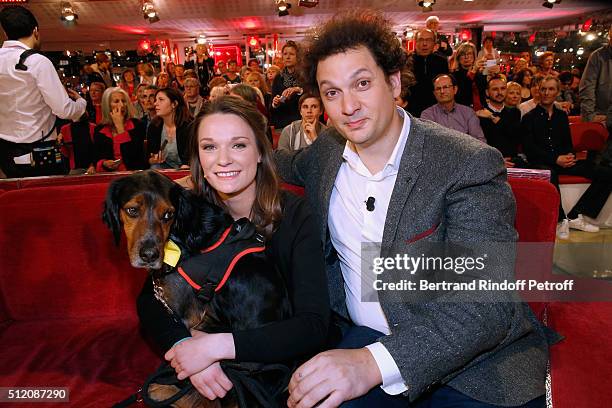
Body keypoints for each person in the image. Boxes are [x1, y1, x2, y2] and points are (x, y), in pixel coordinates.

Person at [275, 9, 554, 408]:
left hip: (470, 364)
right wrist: (218, 166)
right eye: (332, 92)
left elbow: (483, 306)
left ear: (392, 83)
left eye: (362, 84)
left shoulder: (466, 163)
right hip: (358, 340)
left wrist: (370, 365)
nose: (348, 106)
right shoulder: (325, 153)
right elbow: (282, 164)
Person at [137, 96, 330, 402]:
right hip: (204, 359)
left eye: (238, 145)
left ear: (259, 153)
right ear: (198, 158)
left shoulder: (294, 214)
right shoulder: (187, 213)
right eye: (209, 147)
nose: (222, 159)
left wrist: (214, 347)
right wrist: (186, 348)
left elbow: (314, 324)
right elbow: (152, 301)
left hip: (274, 364)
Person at [0, 5, 86, 178]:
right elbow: (63, 110)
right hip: (39, 152)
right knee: (44, 201)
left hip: (5, 152)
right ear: (36, 31)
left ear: (5, 33)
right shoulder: (38, 62)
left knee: (16, 201)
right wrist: (81, 104)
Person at [522, 76, 611, 239]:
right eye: (543, 89)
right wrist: (555, 159)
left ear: (557, 92)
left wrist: (569, 156)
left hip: (562, 160)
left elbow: (567, 143)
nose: (546, 93)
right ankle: (560, 219)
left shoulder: (562, 116)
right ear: (538, 91)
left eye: (551, 89)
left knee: (606, 173)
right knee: (550, 173)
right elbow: (530, 149)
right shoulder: (529, 118)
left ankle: (577, 215)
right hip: (542, 162)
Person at [93, 87, 147, 172]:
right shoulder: (99, 129)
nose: (122, 105)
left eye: (124, 101)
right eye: (116, 101)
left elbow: (133, 158)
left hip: (133, 175)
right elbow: (96, 157)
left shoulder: (137, 125)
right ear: (107, 106)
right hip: (110, 175)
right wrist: (104, 163)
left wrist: (120, 127)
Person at [580, 26, 612, 165]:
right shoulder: (598, 56)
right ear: (610, 35)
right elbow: (588, 87)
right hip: (601, 115)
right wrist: (590, 116)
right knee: (598, 164)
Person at [421, 74, 486, 143]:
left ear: (455, 89)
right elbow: (428, 142)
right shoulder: (427, 115)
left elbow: (480, 140)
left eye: (446, 87)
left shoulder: (468, 112)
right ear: (434, 93)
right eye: (438, 88)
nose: (442, 91)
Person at [477, 75, 525, 168]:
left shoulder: (514, 112)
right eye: (495, 89)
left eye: (503, 88)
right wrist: (496, 160)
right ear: (487, 92)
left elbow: (514, 135)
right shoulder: (480, 114)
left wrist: (492, 117)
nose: (499, 92)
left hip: (512, 161)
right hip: (488, 161)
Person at [147, 87, 193, 169]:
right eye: (156, 100)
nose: (155, 104)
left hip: (188, 168)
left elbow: (192, 157)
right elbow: (149, 158)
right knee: (155, 167)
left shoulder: (189, 125)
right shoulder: (154, 126)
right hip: (164, 167)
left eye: (161, 100)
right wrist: (154, 159)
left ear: (174, 104)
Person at [407, 29, 449, 117]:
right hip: (412, 110)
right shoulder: (407, 61)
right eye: (421, 40)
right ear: (416, 42)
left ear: (434, 43)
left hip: (437, 111)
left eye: (428, 40)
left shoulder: (442, 61)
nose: (424, 44)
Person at [270, 41, 304, 129]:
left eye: (291, 54)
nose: (288, 57)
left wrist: (298, 89)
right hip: (283, 122)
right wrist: (275, 103)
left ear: (298, 57)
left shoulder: (305, 75)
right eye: (285, 54)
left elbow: (313, 94)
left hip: (302, 121)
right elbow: (272, 105)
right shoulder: (278, 77)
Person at [451, 42, 487, 110]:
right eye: (463, 54)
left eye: (469, 54)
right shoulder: (454, 76)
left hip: (481, 112)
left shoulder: (480, 74)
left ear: (474, 57)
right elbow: (462, 94)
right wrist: (473, 72)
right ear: (458, 58)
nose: (466, 57)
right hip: (462, 111)